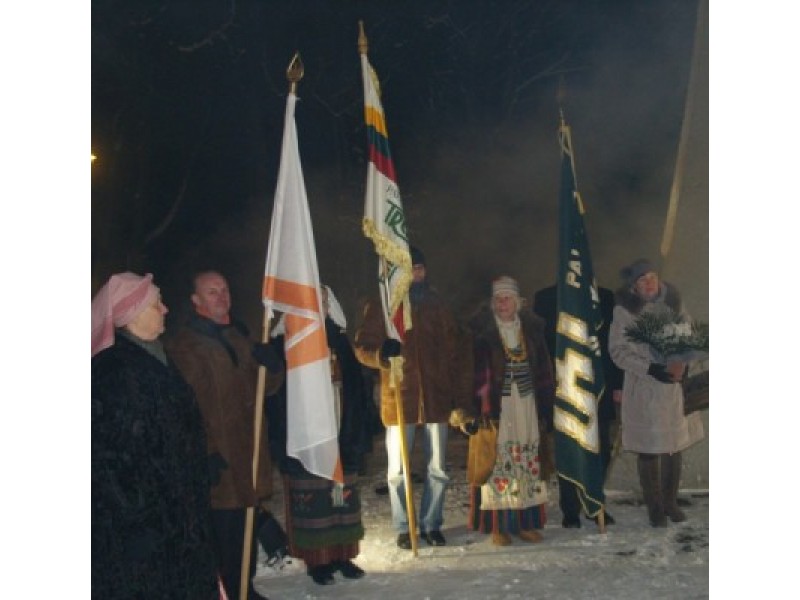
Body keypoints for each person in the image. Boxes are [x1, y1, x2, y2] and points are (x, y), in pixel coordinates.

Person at [91, 272, 218, 599]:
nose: (165, 309)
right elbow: (106, 461)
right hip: (144, 538)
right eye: (155, 304)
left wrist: (198, 467)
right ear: (130, 313)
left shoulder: (154, 355)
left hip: (176, 524)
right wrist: (140, 518)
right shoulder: (112, 373)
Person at [166, 270, 284, 600]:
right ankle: (226, 591)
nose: (222, 297)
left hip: (248, 452)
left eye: (225, 289)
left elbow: (265, 390)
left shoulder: (237, 337)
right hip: (219, 459)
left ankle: (243, 586)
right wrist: (203, 450)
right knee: (224, 534)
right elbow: (185, 407)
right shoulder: (184, 346)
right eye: (212, 292)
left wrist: (271, 366)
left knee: (246, 525)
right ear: (196, 300)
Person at [353, 246, 471, 549]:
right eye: (409, 268)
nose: (416, 273)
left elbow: (455, 353)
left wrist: (459, 397)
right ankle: (405, 527)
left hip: (436, 397)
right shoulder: (383, 304)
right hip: (399, 399)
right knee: (398, 470)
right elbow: (362, 347)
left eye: (419, 267)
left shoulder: (438, 306)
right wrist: (380, 354)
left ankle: (432, 523)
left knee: (439, 468)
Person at [266, 285, 370, 585]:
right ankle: (317, 560)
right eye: (313, 300)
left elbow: (355, 383)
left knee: (341, 494)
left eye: (324, 301)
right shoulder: (286, 341)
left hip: (338, 425)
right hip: (306, 432)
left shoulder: (338, 338)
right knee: (312, 496)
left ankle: (343, 553)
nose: (320, 306)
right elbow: (276, 392)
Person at [455, 276, 555, 546]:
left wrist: (547, 406)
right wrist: (466, 410)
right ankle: (499, 525)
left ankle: (524, 522)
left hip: (526, 407)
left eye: (507, 298)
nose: (502, 303)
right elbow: (466, 373)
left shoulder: (532, 332)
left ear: (518, 302)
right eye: (498, 298)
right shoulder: (479, 334)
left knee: (526, 462)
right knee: (498, 464)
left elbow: (544, 370)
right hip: (495, 408)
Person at [608, 258, 704, 527]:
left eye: (651, 277)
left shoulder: (674, 304)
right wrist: (649, 368)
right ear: (634, 287)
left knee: (673, 447)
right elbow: (618, 351)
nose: (649, 283)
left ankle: (670, 502)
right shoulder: (625, 313)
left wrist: (683, 365)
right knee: (649, 449)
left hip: (673, 390)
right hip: (644, 390)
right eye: (642, 280)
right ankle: (655, 507)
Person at [533, 283, 625, 528]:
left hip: (598, 387)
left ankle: (593, 503)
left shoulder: (604, 298)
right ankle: (570, 508)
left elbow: (612, 344)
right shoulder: (546, 298)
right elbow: (541, 347)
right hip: (563, 387)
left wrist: (618, 384)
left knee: (600, 450)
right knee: (567, 450)